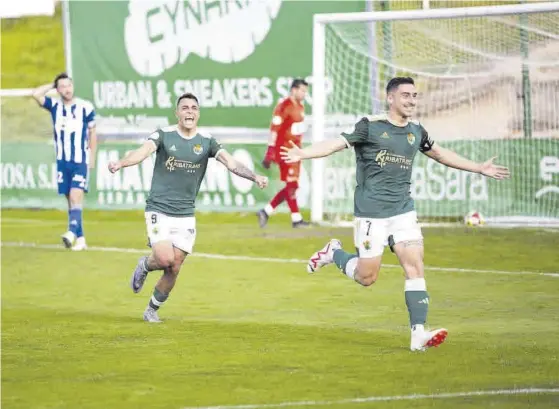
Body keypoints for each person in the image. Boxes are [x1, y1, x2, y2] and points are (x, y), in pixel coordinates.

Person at [280, 77, 510, 351]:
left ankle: (418, 335)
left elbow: (439, 153)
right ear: (390, 98)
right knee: (367, 277)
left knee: (415, 265)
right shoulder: (370, 126)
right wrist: (303, 153)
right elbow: (335, 144)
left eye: (414, 96)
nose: (412, 101)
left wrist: (477, 167)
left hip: (403, 211)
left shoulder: (416, 131)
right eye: (406, 96)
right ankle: (334, 253)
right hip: (371, 212)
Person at [108, 93, 268, 323]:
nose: (189, 112)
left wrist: (254, 177)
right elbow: (142, 152)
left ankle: (151, 310)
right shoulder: (164, 135)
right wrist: (121, 163)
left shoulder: (207, 141)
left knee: (175, 267)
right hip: (159, 208)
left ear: (198, 113)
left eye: (193, 108)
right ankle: (145, 264)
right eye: (185, 108)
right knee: (163, 259)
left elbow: (231, 163)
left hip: (185, 214)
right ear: (177, 113)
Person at [32, 73, 97, 251]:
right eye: (62, 87)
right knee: (71, 201)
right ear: (58, 90)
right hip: (63, 161)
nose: (66, 89)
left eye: (68, 85)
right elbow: (36, 94)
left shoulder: (85, 107)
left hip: (80, 160)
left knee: (76, 196)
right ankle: (81, 239)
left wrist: (92, 156)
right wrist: (51, 85)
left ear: (72, 86)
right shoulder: (54, 106)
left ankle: (71, 232)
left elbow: (93, 133)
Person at [257, 79, 310, 228]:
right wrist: (270, 151)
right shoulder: (284, 106)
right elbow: (274, 129)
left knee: (292, 186)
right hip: (285, 151)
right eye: (302, 90)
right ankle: (296, 219)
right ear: (294, 90)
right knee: (292, 184)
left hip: (295, 151)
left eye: (306, 91)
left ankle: (266, 212)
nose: (304, 94)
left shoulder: (300, 106)